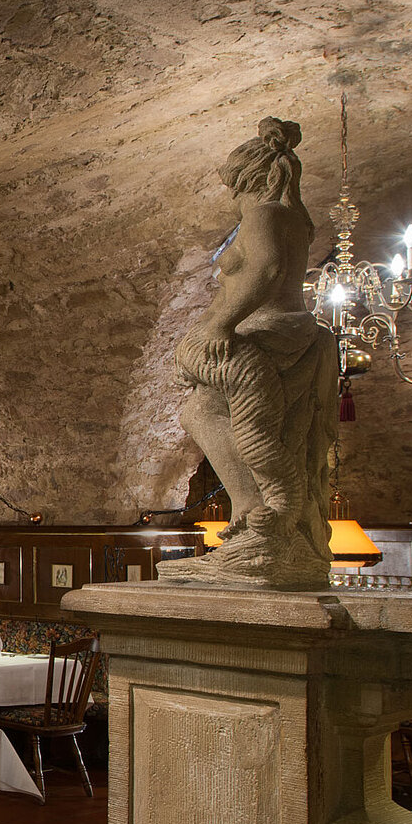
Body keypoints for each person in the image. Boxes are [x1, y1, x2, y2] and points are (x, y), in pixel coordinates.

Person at [158, 117, 333, 590]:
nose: (233, 197)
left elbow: (268, 267)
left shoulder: (265, 214)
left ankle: (260, 516)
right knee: (206, 411)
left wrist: (218, 323)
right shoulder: (294, 218)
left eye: (234, 187)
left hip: (263, 335)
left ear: (250, 179)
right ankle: (261, 523)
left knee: (203, 413)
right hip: (280, 331)